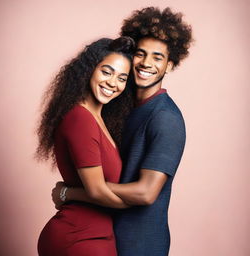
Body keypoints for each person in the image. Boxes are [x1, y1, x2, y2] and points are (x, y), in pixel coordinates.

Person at [52, 6, 193, 256]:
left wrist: (71, 192)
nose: (146, 63)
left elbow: (146, 192)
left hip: (141, 243)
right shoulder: (118, 109)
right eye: (140, 53)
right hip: (106, 236)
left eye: (157, 57)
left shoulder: (166, 118)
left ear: (170, 66)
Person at [36, 36, 136, 256]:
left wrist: (67, 193)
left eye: (122, 78)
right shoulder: (80, 118)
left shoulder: (99, 119)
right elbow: (97, 190)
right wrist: (137, 207)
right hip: (79, 238)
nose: (113, 83)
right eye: (106, 72)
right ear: (90, 69)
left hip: (95, 234)